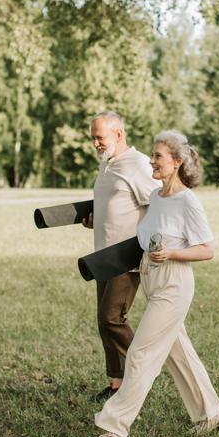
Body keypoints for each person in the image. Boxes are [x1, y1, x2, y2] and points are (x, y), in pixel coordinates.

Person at [86, 130, 219, 437]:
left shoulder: (186, 201)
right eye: (152, 155)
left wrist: (173, 254)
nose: (151, 161)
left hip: (174, 285)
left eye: (158, 156)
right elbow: (138, 228)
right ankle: (213, 414)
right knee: (180, 354)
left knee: (140, 353)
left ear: (177, 162)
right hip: (153, 281)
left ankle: (114, 431)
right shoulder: (156, 196)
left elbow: (207, 249)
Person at [83, 111, 160, 402]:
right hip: (102, 254)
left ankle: (145, 371)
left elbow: (159, 205)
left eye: (99, 137)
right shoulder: (107, 165)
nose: (95, 144)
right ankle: (117, 384)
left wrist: (151, 246)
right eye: (92, 138)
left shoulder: (138, 165)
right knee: (104, 320)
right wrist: (95, 218)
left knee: (111, 317)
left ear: (118, 134)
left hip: (126, 256)